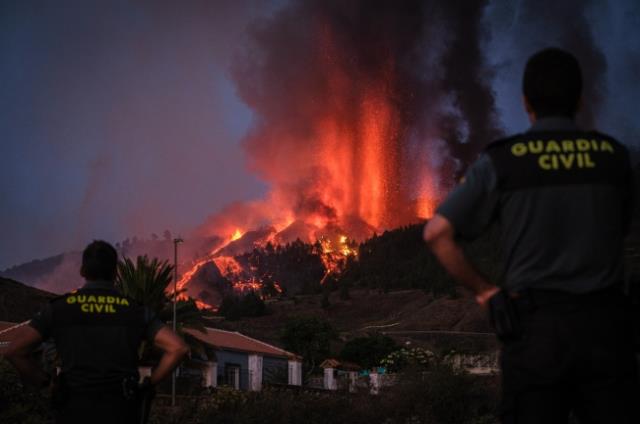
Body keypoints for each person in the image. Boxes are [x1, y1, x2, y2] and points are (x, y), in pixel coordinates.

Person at [424, 48, 638, 423]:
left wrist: (487, 293)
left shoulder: (507, 160)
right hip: (606, 333)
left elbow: (436, 233)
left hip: (536, 334)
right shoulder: (614, 158)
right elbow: (622, 230)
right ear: (580, 99)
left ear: (525, 103)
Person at [4, 240, 189, 423]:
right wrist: (148, 384)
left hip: (73, 409)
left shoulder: (59, 309)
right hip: (120, 409)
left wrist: (46, 383)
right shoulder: (135, 311)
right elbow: (178, 348)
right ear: (115, 272)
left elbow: (15, 351)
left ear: (82, 271)